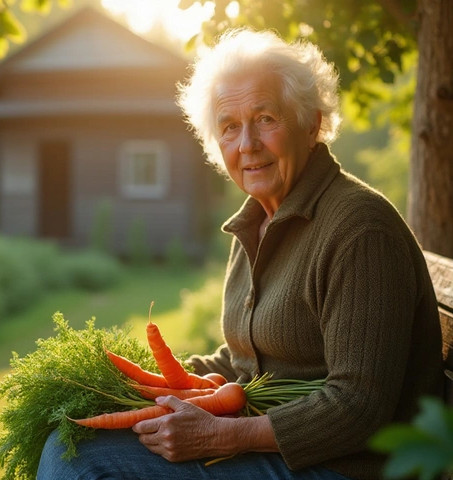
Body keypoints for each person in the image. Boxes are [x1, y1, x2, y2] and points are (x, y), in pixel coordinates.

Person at [37, 28, 443, 480]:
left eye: (265, 118)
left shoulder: (359, 229)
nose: (246, 143)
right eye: (229, 127)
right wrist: (142, 385)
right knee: (73, 436)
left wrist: (219, 435)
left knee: (80, 460)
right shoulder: (255, 222)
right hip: (284, 452)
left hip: (347, 467)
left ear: (310, 123)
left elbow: (358, 407)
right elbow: (251, 360)